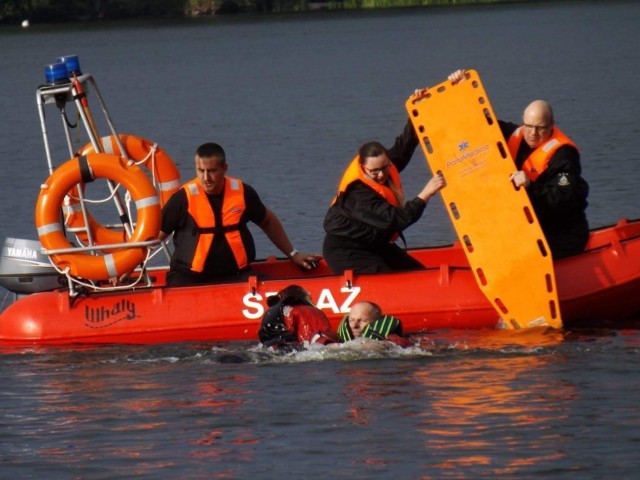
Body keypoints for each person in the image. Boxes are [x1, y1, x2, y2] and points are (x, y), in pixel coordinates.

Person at [449, 69, 590, 259]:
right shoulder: (515, 134)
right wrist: (462, 89)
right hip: (529, 226)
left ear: (551, 125)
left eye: (540, 128)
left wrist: (531, 186)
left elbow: (563, 197)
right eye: (529, 126)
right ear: (523, 122)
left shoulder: (564, 155)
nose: (533, 133)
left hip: (561, 232)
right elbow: (481, 122)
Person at [160, 142, 322, 287]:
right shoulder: (183, 199)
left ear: (224, 168)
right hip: (189, 278)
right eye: (201, 171)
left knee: (278, 294)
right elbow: (155, 237)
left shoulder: (243, 193)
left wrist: (293, 254)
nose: (206, 178)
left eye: (212, 171)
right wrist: (133, 264)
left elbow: (268, 221)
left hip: (236, 276)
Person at [322, 98, 446, 274]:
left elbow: (405, 145)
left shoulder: (386, 166)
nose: (381, 175)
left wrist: (419, 108)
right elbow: (397, 220)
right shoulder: (359, 195)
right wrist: (426, 194)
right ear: (363, 167)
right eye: (374, 172)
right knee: (389, 279)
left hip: (375, 244)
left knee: (418, 273)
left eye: (385, 168)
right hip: (347, 251)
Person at [258, 284, 337, 349]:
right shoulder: (306, 311)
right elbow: (317, 340)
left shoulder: (275, 315)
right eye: (310, 299)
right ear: (304, 299)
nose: (313, 302)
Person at [336, 301, 412, 347]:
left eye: (362, 320)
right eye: (351, 320)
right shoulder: (338, 339)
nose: (354, 326)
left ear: (377, 322)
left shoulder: (391, 341)